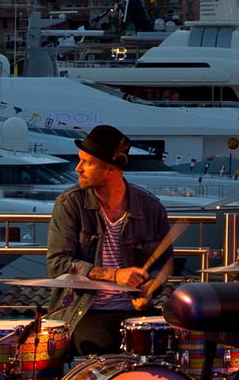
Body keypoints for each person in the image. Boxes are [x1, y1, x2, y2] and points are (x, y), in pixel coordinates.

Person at [46, 125, 172, 355]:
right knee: (99, 349)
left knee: (165, 352)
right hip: (86, 311)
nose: (78, 169)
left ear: (112, 168)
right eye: (80, 160)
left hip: (137, 313)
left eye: (87, 162)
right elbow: (58, 263)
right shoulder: (69, 204)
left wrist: (149, 289)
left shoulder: (151, 207)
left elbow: (163, 264)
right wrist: (114, 275)